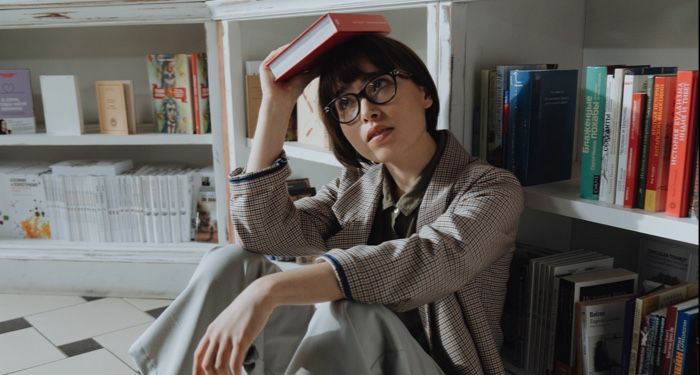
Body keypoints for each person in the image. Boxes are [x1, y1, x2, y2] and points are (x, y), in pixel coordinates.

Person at [130, 35, 523, 375]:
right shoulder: (356, 186)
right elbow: (263, 233)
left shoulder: (491, 189)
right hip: (348, 357)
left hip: (435, 364)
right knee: (230, 263)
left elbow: (425, 262)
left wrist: (270, 290)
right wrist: (276, 105)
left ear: (424, 92)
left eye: (379, 85)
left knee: (352, 310)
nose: (367, 110)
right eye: (346, 103)